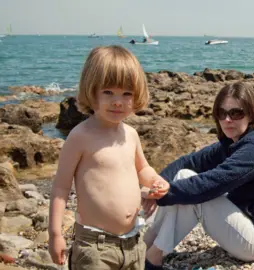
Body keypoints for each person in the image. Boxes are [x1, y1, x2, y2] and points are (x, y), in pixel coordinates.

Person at [141, 81, 254, 270]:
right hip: (248, 225)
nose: (228, 120)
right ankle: (143, 247)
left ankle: (153, 258)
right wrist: (156, 186)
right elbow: (188, 162)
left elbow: (210, 184)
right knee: (184, 175)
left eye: (236, 113)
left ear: (251, 113)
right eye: (222, 113)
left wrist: (162, 195)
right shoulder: (233, 142)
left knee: (196, 191)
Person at [48, 45, 170, 270]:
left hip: (133, 242)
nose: (118, 101)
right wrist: (55, 234)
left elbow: (142, 169)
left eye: (126, 94)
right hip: (95, 247)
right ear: (91, 91)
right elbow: (60, 189)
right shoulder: (80, 137)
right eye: (108, 92)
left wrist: (156, 182)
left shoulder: (130, 134)